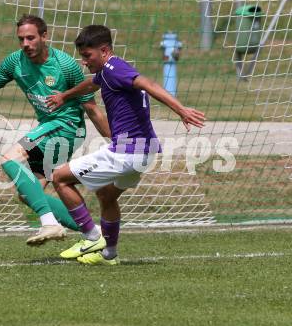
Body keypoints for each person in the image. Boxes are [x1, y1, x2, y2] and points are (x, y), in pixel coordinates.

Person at [0, 15, 110, 245]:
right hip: (47, 128)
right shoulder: (14, 62)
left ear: (44, 36)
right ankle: (97, 234)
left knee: (9, 158)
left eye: (31, 38)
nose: (25, 44)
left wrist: (115, 141)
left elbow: (92, 109)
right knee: (29, 193)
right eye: (21, 39)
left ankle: (50, 224)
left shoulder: (66, 66)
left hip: (66, 127)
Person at [47, 25, 205, 265]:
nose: (84, 61)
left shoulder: (116, 69)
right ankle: (109, 254)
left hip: (126, 152)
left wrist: (180, 109)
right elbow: (91, 84)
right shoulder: (108, 71)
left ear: (104, 50)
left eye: (87, 56)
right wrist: (64, 96)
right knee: (106, 195)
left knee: (59, 177)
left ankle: (91, 237)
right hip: (144, 152)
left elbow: (149, 84)